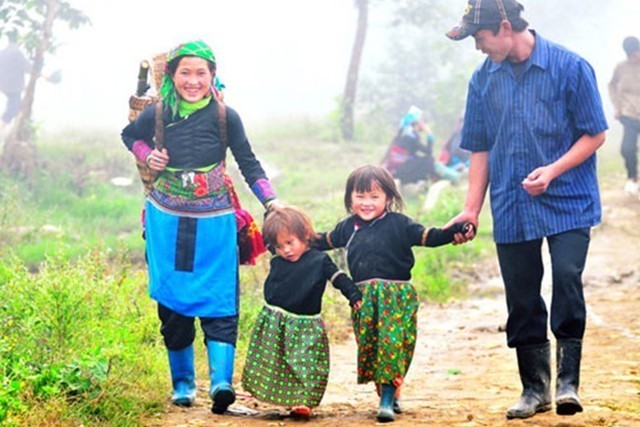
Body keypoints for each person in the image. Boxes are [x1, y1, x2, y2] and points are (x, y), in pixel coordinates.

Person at [445, 0, 607, 420]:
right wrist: (470, 210)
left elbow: (596, 134)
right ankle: (534, 388)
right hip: (512, 202)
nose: (477, 48)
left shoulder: (571, 68)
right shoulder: (482, 81)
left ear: (504, 27)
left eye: (479, 38)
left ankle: (568, 382)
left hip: (570, 198)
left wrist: (553, 170)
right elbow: (479, 147)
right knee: (522, 295)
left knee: (567, 278)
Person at [120, 40, 279, 415]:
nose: (193, 81)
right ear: (171, 76)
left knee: (221, 295)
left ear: (213, 76)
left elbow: (248, 162)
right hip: (166, 218)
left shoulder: (226, 117)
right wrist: (148, 154)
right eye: (185, 73)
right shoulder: (157, 113)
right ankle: (183, 385)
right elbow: (129, 136)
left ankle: (222, 383)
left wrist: (271, 201)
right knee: (172, 299)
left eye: (201, 73)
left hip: (216, 220)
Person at [314, 164, 472, 422]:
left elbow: (429, 236)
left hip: (396, 297)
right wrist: (294, 238)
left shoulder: (400, 224)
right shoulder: (347, 228)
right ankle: (389, 392)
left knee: (392, 345)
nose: (366, 203)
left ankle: (386, 400)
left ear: (388, 198)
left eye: (374, 197)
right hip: (363, 299)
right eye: (360, 196)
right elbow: (322, 241)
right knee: (372, 347)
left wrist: (455, 231)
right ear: (350, 198)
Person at [241, 206, 362, 420]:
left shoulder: (319, 260)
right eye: (279, 246)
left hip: (306, 324)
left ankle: (304, 402)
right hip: (276, 320)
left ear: (305, 236)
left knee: (307, 363)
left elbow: (338, 278)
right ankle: (288, 398)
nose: (286, 250)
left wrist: (353, 294)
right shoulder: (278, 259)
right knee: (278, 361)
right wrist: (272, 213)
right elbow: (272, 229)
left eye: (290, 243)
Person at [608, 36, 640, 196]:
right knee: (627, 149)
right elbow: (612, 85)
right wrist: (617, 106)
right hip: (629, 114)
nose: (636, 57)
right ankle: (633, 177)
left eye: (637, 53)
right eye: (632, 54)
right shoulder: (621, 67)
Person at [0, 34, 30, 130]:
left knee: (16, 109)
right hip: (14, 88)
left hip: (4, 87)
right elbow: (29, 68)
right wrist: (46, 76)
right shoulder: (17, 53)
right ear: (18, 41)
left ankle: (17, 132)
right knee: (12, 110)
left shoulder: (3, 52)